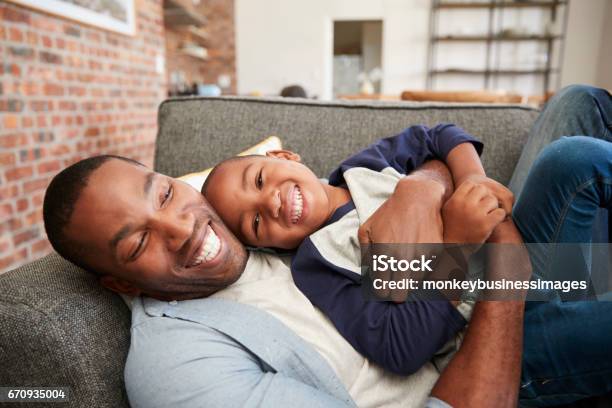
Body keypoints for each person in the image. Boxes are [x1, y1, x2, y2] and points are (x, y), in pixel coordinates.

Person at [41, 85, 612, 407]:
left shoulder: (296, 200)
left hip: (490, 264)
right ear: (119, 281)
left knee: (577, 132)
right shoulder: (186, 364)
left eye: (164, 194)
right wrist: (487, 255)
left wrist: (423, 189)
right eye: (139, 241)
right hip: (484, 335)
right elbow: (404, 339)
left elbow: (431, 144)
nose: (183, 228)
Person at [201, 125, 513, 375]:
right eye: (255, 221)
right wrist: (458, 245)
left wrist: (474, 179)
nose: (270, 202)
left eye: (258, 179)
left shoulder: (364, 167)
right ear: (265, 247)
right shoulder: (316, 267)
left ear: (284, 156)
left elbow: (439, 135)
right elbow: (400, 348)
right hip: (499, 329)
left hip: (521, 249)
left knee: (561, 159)